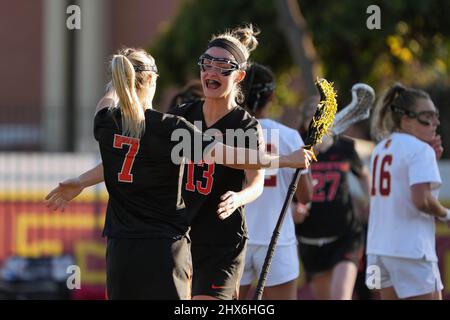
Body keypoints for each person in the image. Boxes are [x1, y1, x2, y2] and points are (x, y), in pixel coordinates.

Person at [45, 48, 313, 300]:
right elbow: (228, 155)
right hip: (165, 249)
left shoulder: (105, 121)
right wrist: (286, 160)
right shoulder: (170, 128)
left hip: (121, 249)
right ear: (151, 79)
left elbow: (111, 108)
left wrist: (80, 181)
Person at [237, 63, 313, 300]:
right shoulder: (289, 136)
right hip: (276, 239)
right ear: (271, 95)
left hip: (236, 237)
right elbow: (306, 196)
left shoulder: (229, 132)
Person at [366, 83, 448, 300]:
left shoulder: (380, 149)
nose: (435, 122)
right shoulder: (420, 150)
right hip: (411, 250)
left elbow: (401, 187)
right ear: (406, 120)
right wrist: (446, 214)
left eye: (436, 115)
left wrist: (431, 160)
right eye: (427, 116)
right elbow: (421, 201)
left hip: (378, 251)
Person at [295, 96, 371, 300]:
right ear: (304, 122)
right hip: (310, 237)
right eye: (311, 113)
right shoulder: (295, 146)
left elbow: (364, 175)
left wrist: (371, 202)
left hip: (345, 236)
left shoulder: (344, 147)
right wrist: (293, 210)